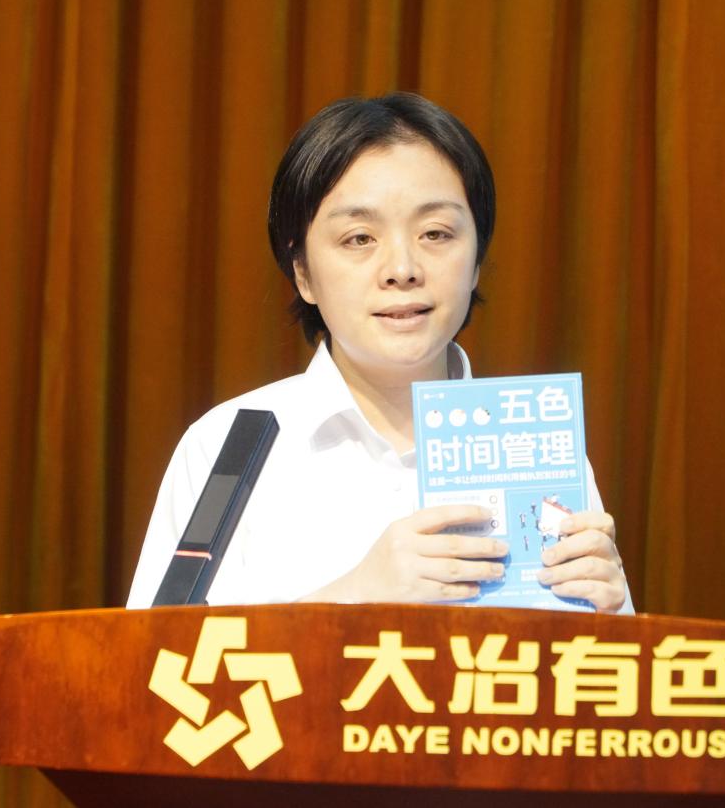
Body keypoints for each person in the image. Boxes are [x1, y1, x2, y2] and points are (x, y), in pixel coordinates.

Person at [126, 93, 632, 613]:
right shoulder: (225, 447)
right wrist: (353, 598)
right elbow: (156, 657)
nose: (402, 269)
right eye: (359, 238)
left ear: (477, 259)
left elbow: (598, 660)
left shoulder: (538, 452)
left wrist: (612, 621)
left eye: (435, 233)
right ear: (303, 273)